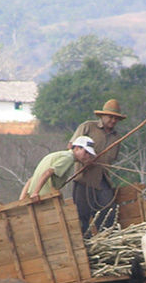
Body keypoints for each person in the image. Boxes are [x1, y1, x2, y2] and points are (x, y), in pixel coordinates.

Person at [68, 98, 127, 232]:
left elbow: (111, 160)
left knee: (109, 216)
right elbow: (71, 147)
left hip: (102, 180)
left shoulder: (117, 138)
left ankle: (106, 241)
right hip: (83, 179)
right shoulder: (88, 127)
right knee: (81, 216)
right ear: (102, 116)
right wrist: (85, 160)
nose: (113, 120)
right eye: (110, 117)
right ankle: (83, 245)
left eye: (116, 118)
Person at [19, 136, 97, 202]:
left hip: (39, 197)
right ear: (76, 148)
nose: (87, 156)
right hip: (43, 198)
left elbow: (31, 180)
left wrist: (22, 199)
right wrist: (35, 193)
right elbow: (48, 172)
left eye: (89, 154)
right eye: (85, 152)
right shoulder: (68, 158)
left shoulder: (59, 155)